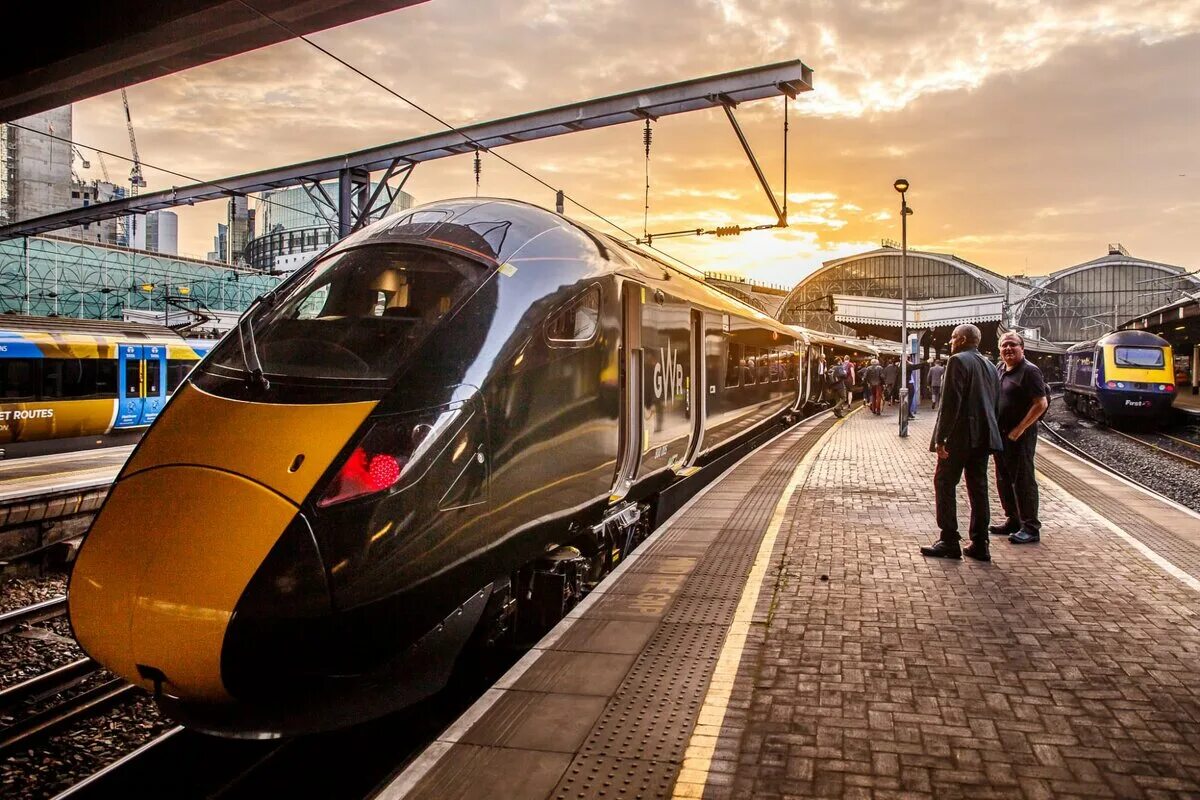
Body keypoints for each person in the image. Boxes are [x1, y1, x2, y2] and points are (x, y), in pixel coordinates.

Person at [921, 323, 1003, 562]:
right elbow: (994, 403)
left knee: (944, 482)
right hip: (983, 437)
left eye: (954, 337)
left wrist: (941, 438)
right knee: (978, 489)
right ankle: (980, 544)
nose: (950, 342)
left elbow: (950, 404)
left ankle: (949, 540)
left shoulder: (957, 361)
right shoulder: (990, 365)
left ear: (964, 339)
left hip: (960, 437)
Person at [991, 332, 1049, 544]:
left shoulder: (1030, 371)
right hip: (1001, 435)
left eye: (1012, 345)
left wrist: (1020, 429)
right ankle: (1013, 519)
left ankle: (1031, 527)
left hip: (1020, 436)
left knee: (1023, 480)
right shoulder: (1000, 369)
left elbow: (1041, 403)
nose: (1008, 349)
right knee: (1003, 478)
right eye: (1004, 345)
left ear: (1022, 348)